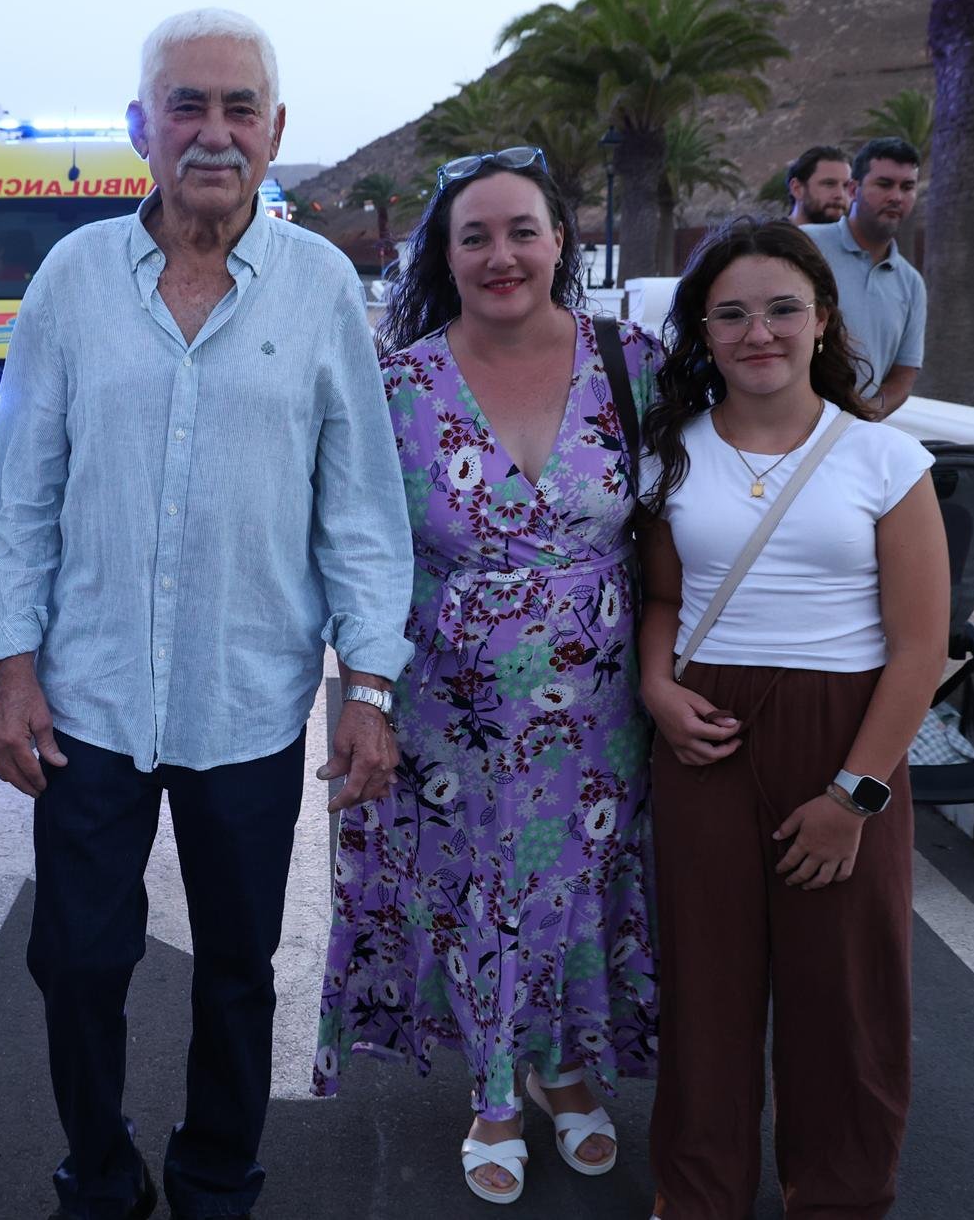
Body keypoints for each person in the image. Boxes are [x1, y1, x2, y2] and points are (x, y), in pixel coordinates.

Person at [0, 7, 413, 1220]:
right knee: (73, 959)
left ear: (277, 132)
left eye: (238, 109)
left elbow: (363, 511)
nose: (213, 133)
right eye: (188, 105)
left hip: (251, 700)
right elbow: (20, 496)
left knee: (236, 969)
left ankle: (218, 1172)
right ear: (141, 128)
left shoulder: (326, 287)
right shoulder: (72, 282)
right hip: (91, 699)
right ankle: (101, 1170)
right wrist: (11, 670)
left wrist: (367, 686)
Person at [312, 145, 661, 1206]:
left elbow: (702, 514)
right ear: (444, 255)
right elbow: (356, 539)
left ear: (562, 241)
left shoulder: (638, 362)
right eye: (476, 236)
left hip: (602, 706)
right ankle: (499, 1086)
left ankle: (564, 1063)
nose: (502, 254)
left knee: (576, 886)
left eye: (523, 231)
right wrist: (361, 693)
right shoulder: (396, 384)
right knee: (480, 889)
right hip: (449, 703)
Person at [636, 217, 946, 1218]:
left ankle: (841, 1192)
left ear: (822, 319)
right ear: (703, 332)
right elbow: (661, 600)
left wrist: (854, 795)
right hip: (705, 733)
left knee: (845, 994)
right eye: (730, 312)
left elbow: (918, 646)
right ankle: (698, 1191)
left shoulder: (884, 461)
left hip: (843, 735)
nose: (756, 330)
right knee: (707, 987)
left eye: (779, 308)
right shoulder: (670, 455)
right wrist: (656, 686)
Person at [801, 138, 924, 419]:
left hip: (854, 435)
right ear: (854, 189)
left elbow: (904, 374)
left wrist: (860, 418)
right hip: (785, 428)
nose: (896, 196)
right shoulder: (806, 245)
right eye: (884, 184)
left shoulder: (912, 283)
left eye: (907, 187)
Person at [784, 145, 850, 225]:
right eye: (829, 184)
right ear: (797, 189)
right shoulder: (770, 236)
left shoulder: (850, 236)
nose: (840, 195)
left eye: (846, 186)